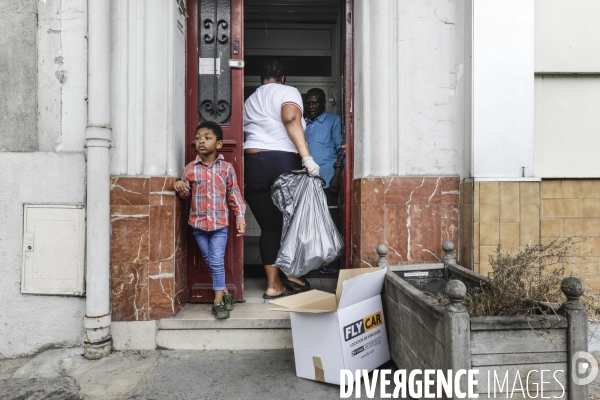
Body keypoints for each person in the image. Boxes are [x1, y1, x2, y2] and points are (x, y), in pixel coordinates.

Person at [244, 59, 320, 299]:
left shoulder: (250, 99)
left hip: (252, 164)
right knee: (293, 222)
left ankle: (273, 285)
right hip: (282, 162)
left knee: (270, 227)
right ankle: (294, 274)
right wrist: (307, 158)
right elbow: (290, 119)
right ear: (283, 78)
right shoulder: (288, 92)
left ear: (261, 79)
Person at [174, 121, 246, 319]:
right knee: (212, 261)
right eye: (198, 138)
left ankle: (218, 302)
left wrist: (240, 216)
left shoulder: (226, 169)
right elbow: (186, 195)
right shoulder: (190, 168)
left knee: (215, 261)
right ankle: (225, 293)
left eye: (207, 138)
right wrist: (181, 186)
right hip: (197, 225)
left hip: (219, 225)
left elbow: (235, 194)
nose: (201, 141)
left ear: (219, 144)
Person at [304, 88, 343, 275]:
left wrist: (337, 176)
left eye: (315, 103)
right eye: (308, 103)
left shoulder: (333, 121)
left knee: (330, 223)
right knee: (311, 223)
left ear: (323, 103)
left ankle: (333, 262)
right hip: (307, 182)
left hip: (328, 180)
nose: (311, 106)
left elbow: (341, 150)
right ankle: (316, 261)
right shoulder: (303, 123)